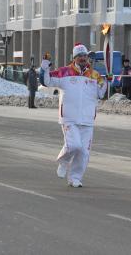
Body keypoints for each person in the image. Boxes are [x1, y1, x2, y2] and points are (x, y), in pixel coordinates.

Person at [40, 43, 107, 188]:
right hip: (69, 118)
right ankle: (64, 161)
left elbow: (101, 94)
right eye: (80, 56)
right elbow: (46, 81)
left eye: (85, 56)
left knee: (83, 153)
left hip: (87, 119)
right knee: (74, 145)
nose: (83, 58)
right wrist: (45, 67)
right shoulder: (64, 72)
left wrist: (107, 81)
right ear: (75, 58)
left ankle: (75, 178)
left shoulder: (95, 75)